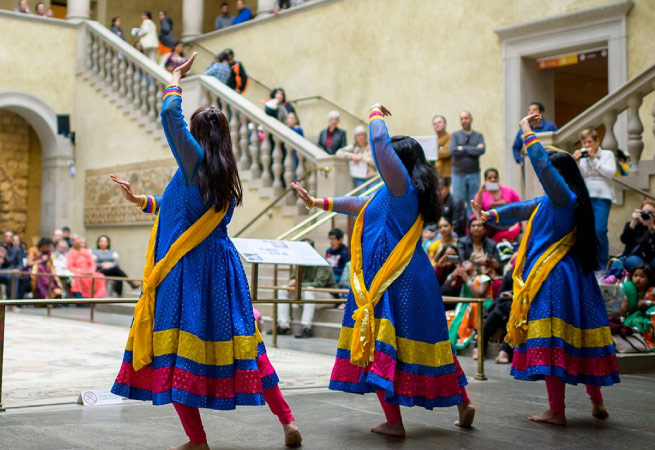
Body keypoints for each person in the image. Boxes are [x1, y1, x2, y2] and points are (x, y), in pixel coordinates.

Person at [109, 53, 302, 448]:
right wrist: (140, 201)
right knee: (247, 345)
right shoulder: (223, 169)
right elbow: (181, 210)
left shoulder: (193, 159)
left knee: (178, 351)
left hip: (189, 269)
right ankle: (287, 420)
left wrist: (176, 78)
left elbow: (168, 114)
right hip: (222, 267)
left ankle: (197, 440)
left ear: (196, 135)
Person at [291, 103, 475, 436]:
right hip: (412, 278)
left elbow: (379, 144)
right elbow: (358, 205)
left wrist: (375, 113)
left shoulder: (401, 186)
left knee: (378, 344)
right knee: (431, 341)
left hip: (396, 279)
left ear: (399, 163)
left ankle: (394, 422)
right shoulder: (398, 193)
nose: (382, 163)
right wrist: (320, 203)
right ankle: (463, 402)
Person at [471, 112, 619, 425]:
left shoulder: (563, 197)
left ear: (558, 174)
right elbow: (519, 209)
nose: (543, 175)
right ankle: (597, 404)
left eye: (549, 172)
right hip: (574, 276)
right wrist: (490, 215)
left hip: (554, 277)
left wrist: (525, 129)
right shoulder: (556, 200)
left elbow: (540, 163)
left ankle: (557, 411)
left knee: (552, 342)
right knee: (582, 338)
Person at [275, 238, 338, 338]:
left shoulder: (322, 262)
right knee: (283, 289)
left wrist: (298, 284)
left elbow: (318, 284)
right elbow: (292, 279)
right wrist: (291, 285)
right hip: (308, 294)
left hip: (328, 296)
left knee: (309, 291)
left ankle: (306, 327)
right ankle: (283, 326)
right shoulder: (300, 262)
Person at [573, 128, 616, 268]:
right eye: (584, 142)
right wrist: (576, 162)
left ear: (597, 141)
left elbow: (610, 173)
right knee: (586, 232)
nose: (587, 145)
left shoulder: (607, 154)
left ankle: (603, 264)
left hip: (603, 197)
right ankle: (589, 264)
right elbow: (580, 177)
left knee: (599, 230)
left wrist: (594, 160)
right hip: (586, 197)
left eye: (590, 142)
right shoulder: (583, 156)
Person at [620, 199, 655, 301]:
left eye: (651, 213)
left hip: (652, 263)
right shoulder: (632, 226)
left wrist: (651, 227)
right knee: (635, 261)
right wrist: (633, 221)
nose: (647, 215)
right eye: (644, 212)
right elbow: (624, 239)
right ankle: (635, 299)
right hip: (634, 261)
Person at [620, 264, 655, 351]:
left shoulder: (653, 290)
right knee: (638, 322)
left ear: (649, 280)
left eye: (642, 276)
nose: (638, 279)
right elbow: (624, 307)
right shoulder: (630, 290)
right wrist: (621, 320)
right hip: (644, 319)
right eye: (635, 276)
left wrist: (646, 302)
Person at [450, 110, 485, 216]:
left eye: (466, 118)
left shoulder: (478, 135)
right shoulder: (455, 135)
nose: (464, 121)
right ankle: (461, 227)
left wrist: (462, 148)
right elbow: (453, 151)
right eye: (462, 119)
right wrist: (473, 149)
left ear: (471, 119)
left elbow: (481, 150)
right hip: (458, 174)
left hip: (474, 173)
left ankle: (471, 226)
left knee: (473, 202)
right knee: (458, 202)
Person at [474, 168, 522, 242]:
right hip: (492, 226)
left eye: (495, 177)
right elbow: (477, 209)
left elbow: (520, 208)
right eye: (489, 178)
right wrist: (480, 192)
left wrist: (521, 227)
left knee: (514, 230)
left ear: (498, 179)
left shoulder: (509, 191)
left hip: (510, 223)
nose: (493, 180)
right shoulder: (482, 194)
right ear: (485, 180)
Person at [512, 102, 558, 167]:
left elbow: (557, 145)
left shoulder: (550, 126)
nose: (531, 112)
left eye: (534, 110)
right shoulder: (523, 129)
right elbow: (516, 147)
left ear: (541, 113)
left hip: (547, 163)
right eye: (529, 110)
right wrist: (520, 160)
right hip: (528, 164)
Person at [0, 230, 23, 298]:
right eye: (6, 237)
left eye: (10, 237)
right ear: (3, 238)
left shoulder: (17, 249)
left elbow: (20, 263)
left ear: (12, 239)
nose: (8, 238)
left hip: (12, 272)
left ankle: (12, 303)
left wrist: (18, 269)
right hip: (1, 271)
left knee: (14, 276)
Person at [433, 115, 451, 184]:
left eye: (439, 122)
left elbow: (446, 152)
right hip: (435, 173)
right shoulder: (433, 139)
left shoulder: (450, 137)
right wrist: (439, 149)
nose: (437, 125)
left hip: (446, 173)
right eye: (434, 123)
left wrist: (434, 151)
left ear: (445, 124)